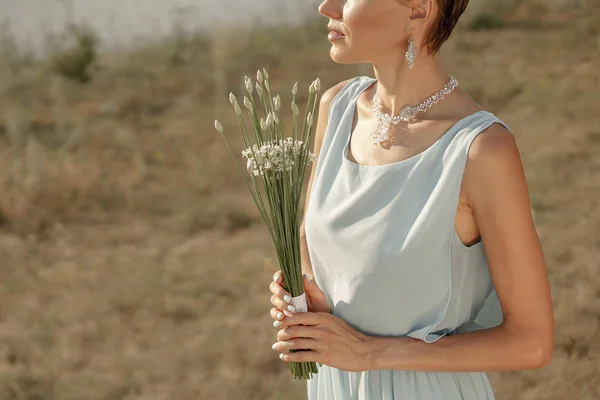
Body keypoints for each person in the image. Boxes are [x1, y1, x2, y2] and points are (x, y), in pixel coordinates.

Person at [268, 0, 555, 398]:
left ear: (419, 9)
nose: (325, 7)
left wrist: (369, 353)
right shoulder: (336, 109)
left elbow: (532, 343)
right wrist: (309, 297)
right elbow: (308, 240)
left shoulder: (480, 151)